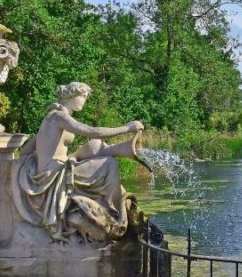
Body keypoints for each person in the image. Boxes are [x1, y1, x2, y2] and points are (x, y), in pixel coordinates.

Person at [13, 82, 144, 243]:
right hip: (52, 174)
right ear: (71, 96)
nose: (84, 100)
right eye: (83, 96)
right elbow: (92, 131)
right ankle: (115, 213)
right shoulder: (58, 117)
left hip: (58, 167)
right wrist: (127, 127)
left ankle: (121, 151)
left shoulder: (53, 116)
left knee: (94, 145)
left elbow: (26, 150)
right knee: (108, 165)